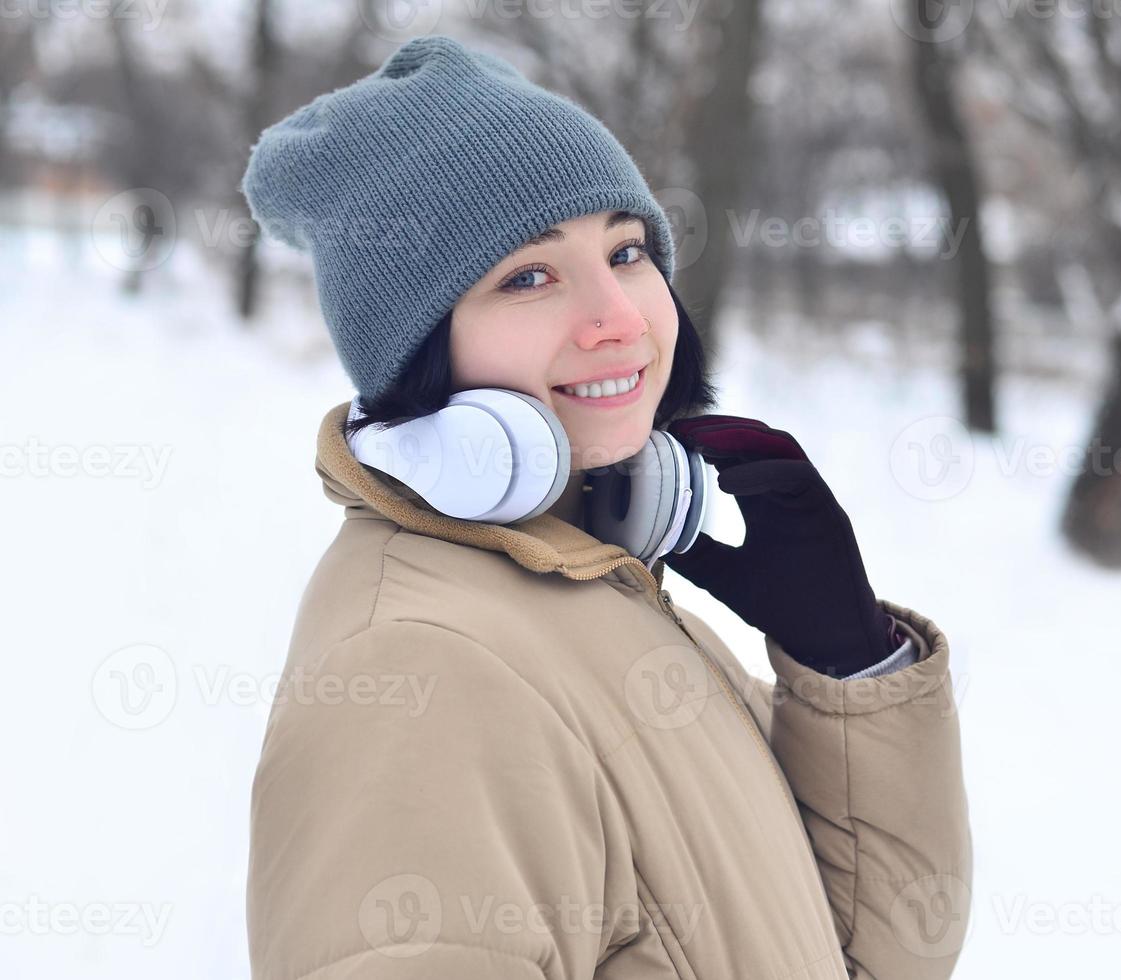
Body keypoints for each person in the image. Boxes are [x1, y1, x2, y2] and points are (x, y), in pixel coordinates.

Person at [240, 34, 971, 980]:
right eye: (528, 276)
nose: (621, 316)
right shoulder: (425, 671)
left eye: (626, 251)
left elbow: (874, 959)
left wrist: (849, 667)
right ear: (416, 351)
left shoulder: (596, 587)